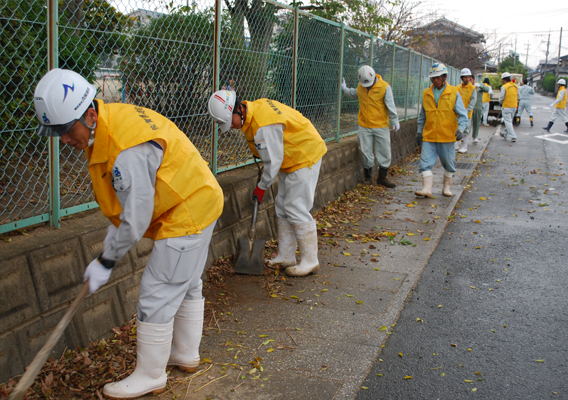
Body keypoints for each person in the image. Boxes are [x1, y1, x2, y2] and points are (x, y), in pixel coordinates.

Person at [34, 69, 224, 399]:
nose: (63, 139)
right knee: (186, 280)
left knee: (158, 289)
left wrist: (106, 260)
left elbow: (135, 220)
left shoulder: (125, 148)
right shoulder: (108, 122)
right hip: (197, 197)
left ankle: (151, 374)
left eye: (66, 129)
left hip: (186, 209)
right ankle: (185, 354)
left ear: (90, 114)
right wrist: (113, 234)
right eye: (56, 132)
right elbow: (128, 203)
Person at [208, 90, 327, 277]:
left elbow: (274, 161)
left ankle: (310, 260)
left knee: (296, 207)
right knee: (282, 205)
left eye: (230, 121)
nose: (230, 126)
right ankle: (286, 256)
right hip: (291, 159)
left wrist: (261, 187)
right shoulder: (254, 110)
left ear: (238, 109)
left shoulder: (264, 125)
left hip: (304, 155)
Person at [415, 63, 468, 198]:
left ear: (444, 77)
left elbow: (462, 114)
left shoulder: (454, 93)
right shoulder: (426, 93)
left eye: (438, 77)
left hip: (447, 135)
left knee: (448, 163)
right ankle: (426, 188)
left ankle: (446, 187)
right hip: (429, 134)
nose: (435, 80)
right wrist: (419, 132)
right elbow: (422, 116)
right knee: (425, 163)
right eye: (433, 78)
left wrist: (460, 129)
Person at [341, 65, 399, 187]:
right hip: (364, 125)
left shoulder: (384, 87)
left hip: (380, 125)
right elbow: (355, 94)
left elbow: (390, 105)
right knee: (366, 152)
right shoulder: (361, 87)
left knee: (384, 151)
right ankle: (368, 177)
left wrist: (394, 120)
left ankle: (382, 178)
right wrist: (345, 89)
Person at [456, 68, 477, 153]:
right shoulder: (457, 88)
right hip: (458, 113)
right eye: (465, 77)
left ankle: (464, 146)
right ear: (461, 78)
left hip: (467, 113)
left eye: (469, 77)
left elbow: (473, 101)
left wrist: (466, 110)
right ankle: (456, 145)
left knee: (466, 129)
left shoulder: (473, 88)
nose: (467, 79)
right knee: (456, 128)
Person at [499, 72, 519, 142]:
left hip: (507, 106)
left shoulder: (504, 87)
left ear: (504, 80)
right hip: (514, 106)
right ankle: (505, 134)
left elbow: (501, 97)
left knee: (508, 122)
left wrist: (500, 102)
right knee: (509, 121)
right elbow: (518, 95)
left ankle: (513, 136)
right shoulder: (515, 86)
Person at [471, 78, 491, 143]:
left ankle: (475, 137)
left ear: (474, 79)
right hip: (469, 107)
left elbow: (487, 89)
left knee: (476, 123)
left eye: (470, 79)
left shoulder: (479, 86)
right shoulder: (468, 87)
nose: (469, 80)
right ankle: (464, 136)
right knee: (466, 123)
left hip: (477, 106)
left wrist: (480, 85)